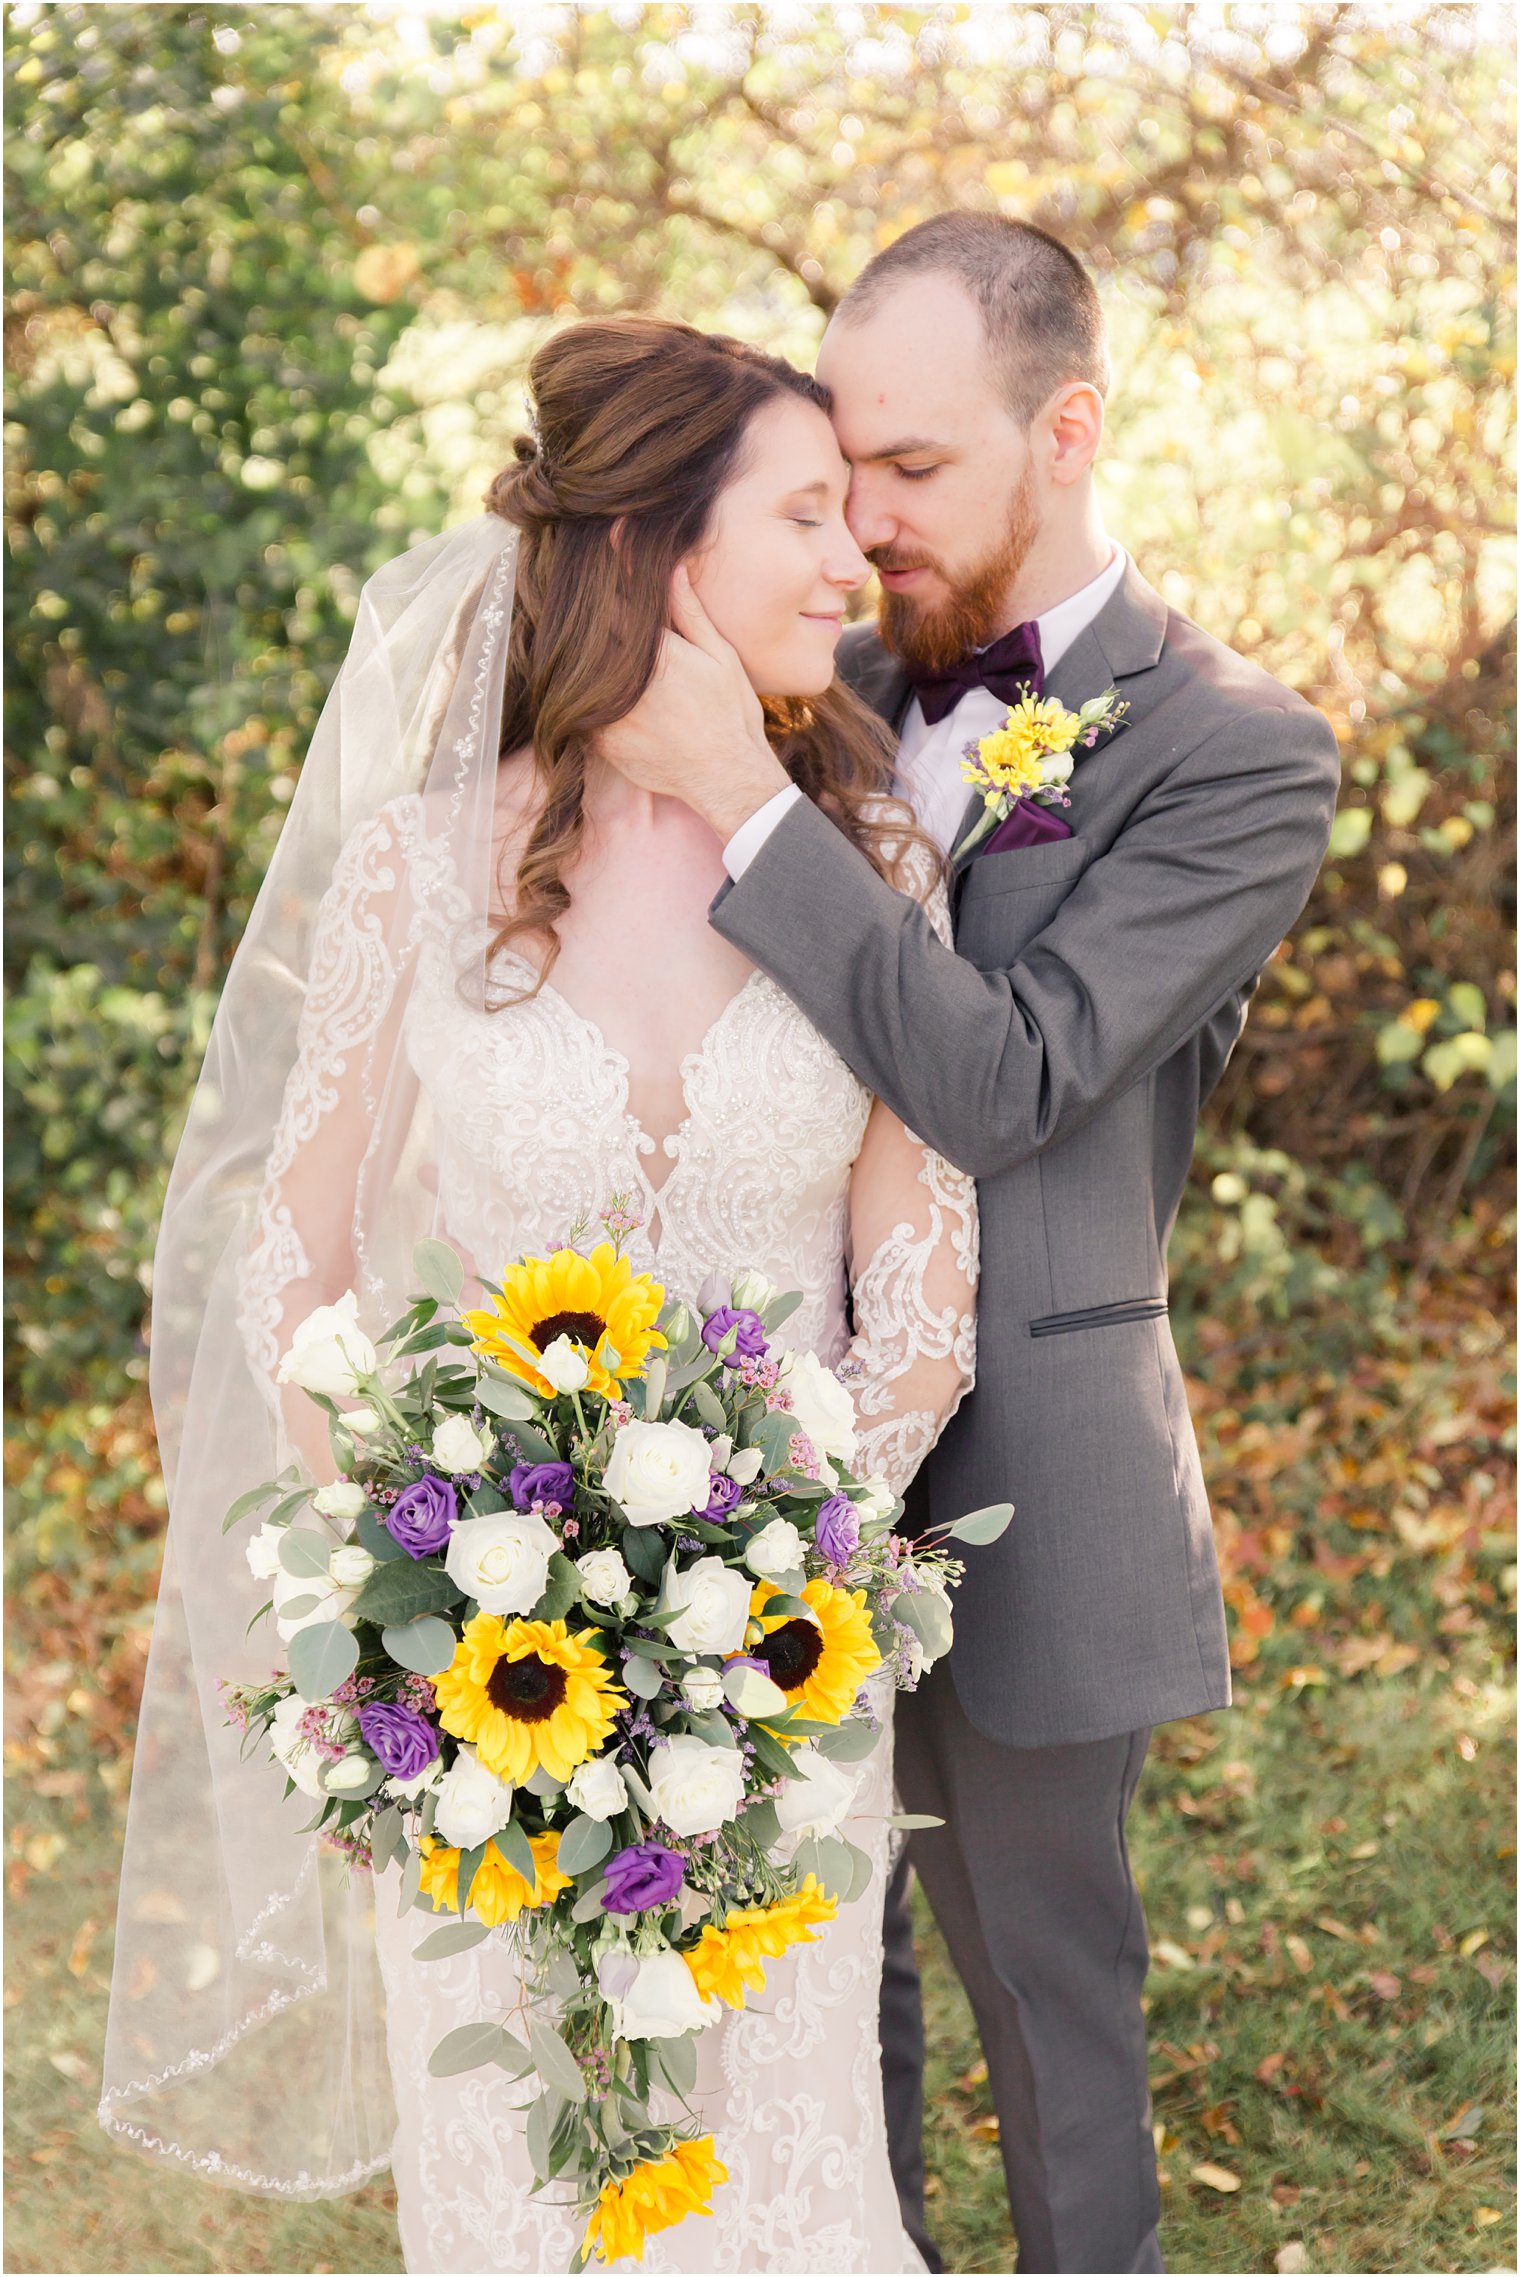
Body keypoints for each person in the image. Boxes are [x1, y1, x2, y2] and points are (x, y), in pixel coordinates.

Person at [99, 317, 978, 2275]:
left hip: (792, 1669)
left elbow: (921, 1286)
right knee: (534, 2183)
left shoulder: (875, 864)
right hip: (481, 1677)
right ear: (665, 546)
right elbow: (296, 1247)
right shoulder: (426, 869)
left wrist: (791, 1557)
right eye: (809, 514)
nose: (857, 564)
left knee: (784, 2167)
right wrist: (394, 1568)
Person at [598, 214, 1343, 2274]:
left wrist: (747, 814)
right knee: (815, 1982)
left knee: (1043, 1988)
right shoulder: (801, 672)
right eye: (842, 470)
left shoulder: (1235, 752)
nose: (867, 519)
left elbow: (1013, 1079)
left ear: (1068, 431)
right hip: (747, 1459)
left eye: (913, 468)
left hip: (1035, 1458)